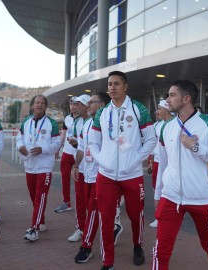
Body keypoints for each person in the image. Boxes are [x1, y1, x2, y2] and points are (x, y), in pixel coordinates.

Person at [151, 80, 208, 270]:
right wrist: (158, 194)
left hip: (200, 198)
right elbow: (163, 163)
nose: (167, 100)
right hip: (170, 197)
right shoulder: (166, 127)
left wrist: (196, 147)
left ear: (186, 99)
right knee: (160, 250)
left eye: (172, 95)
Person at [89, 71, 157, 269]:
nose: (112, 87)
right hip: (106, 175)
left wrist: (136, 159)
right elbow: (93, 142)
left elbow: (151, 139)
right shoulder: (102, 112)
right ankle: (107, 261)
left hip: (132, 174)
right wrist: (102, 159)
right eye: (109, 84)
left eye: (116, 84)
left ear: (125, 87)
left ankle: (138, 245)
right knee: (106, 218)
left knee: (136, 215)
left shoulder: (138, 109)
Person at [73, 92, 115, 263]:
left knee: (92, 211)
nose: (87, 105)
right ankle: (114, 227)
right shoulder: (87, 124)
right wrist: (76, 166)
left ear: (102, 104)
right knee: (92, 210)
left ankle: (86, 246)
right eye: (88, 102)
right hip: (87, 173)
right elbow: (82, 147)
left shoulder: (110, 123)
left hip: (102, 174)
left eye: (92, 102)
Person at [17, 95, 61, 241]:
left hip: (44, 166)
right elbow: (19, 138)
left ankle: (34, 229)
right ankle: (41, 222)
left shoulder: (52, 124)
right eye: (37, 103)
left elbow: (56, 144)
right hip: (29, 165)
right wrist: (20, 146)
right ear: (32, 106)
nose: (39, 105)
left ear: (45, 106)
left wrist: (43, 149)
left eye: (42, 103)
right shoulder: (26, 122)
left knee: (40, 197)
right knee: (33, 197)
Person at [67, 94, 90, 242]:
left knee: (95, 202)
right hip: (82, 167)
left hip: (97, 169)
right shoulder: (77, 123)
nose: (77, 106)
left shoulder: (97, 121)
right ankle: (80, 228)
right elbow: (79, 146)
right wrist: (76, 165)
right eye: (76, 104)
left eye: (80, 104)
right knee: (80, 200)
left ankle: (113, 225)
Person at [148, 100, 173, 229]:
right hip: (159, 160)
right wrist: (151, 159)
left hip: (172, 162)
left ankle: (173, 212)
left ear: (167, 109)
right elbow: (153, 143)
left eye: (160, 109)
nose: (157, 112)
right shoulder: (157, 125)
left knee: (170, 188)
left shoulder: (175, 124)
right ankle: (159, 217)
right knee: (157, 187)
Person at [54, 97, 78, 213]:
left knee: (79, 178)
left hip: (79, 152)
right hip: (67, 152)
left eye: (75, 104)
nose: (73, 106)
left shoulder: (85, 118)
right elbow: (63, 134)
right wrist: (58, 148)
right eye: (71, 104)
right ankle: (66, 202)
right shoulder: (67, 118)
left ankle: (81, 202)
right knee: (64, 176)